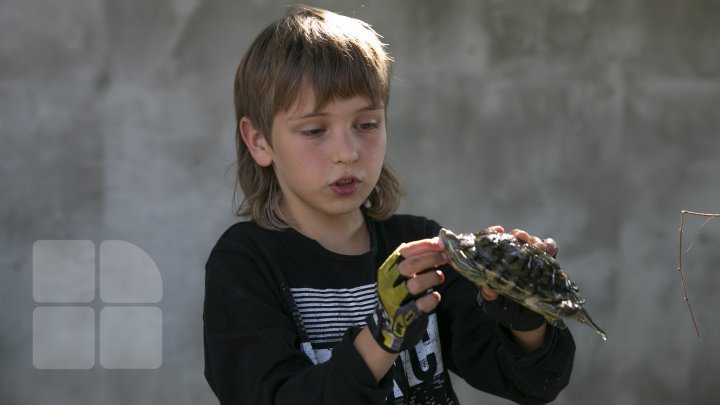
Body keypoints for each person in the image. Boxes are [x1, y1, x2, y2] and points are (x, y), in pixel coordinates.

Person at [203, 5, 575, 404]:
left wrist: (526, 317)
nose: (347, 152)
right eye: (314, 130)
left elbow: (536, 383)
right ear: (258, 141)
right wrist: (383, 335)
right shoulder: (245, 262)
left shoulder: (420, 246)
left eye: (367, 124)